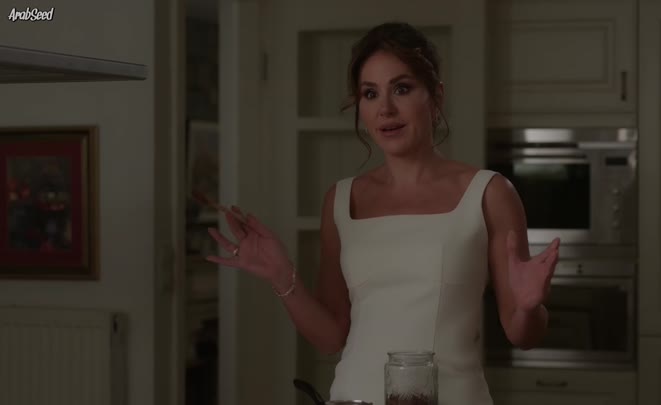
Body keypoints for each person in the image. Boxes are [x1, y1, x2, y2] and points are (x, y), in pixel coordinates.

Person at [206, 21, 560, 405]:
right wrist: (281, 274)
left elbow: (523, 334)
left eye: (402, 89)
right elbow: (330, 337)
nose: (386, 109)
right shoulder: (340, 200)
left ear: (436, 97)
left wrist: (529, 306)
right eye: (370, 93)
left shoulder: (489, 193)